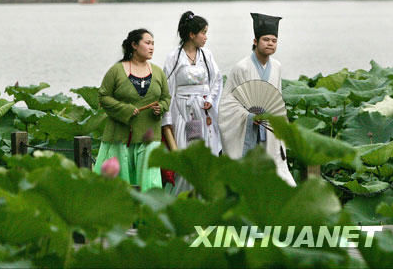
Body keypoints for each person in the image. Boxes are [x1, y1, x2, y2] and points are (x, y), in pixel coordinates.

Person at [218, 13, 296, 186]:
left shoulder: (277, 67)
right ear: (255, 41)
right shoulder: (241, 68)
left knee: (277, 175)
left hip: (270, 129)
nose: (270, 43)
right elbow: (227, 105)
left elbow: (277, 100)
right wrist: (249, 117)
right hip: (248, 129)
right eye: (266, 39)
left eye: (274, 40)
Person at [94, 29, 171, 191]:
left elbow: (166, 98)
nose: (151, 47)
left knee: (150, 182)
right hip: (121, 136)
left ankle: (148, 212)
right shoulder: (116, 71)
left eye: (153, 44)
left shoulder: (157, 72)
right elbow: (103, 97)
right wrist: (125, 109)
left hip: (149, 136)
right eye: (147, 43)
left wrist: (161, 108)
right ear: (134, 45)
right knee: (118, 184)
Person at [162, 11, 223, 194]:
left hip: (202, 114)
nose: (205, 37)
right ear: (191, 35)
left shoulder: (206, 56)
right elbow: (168, 89)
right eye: (203, 32)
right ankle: (180, 199)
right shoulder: (174, 57)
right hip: (182, 112)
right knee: (184, 156)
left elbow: (217, 80)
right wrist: (167, 122)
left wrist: (210, 100)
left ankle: (203, 199)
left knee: (203, 157)